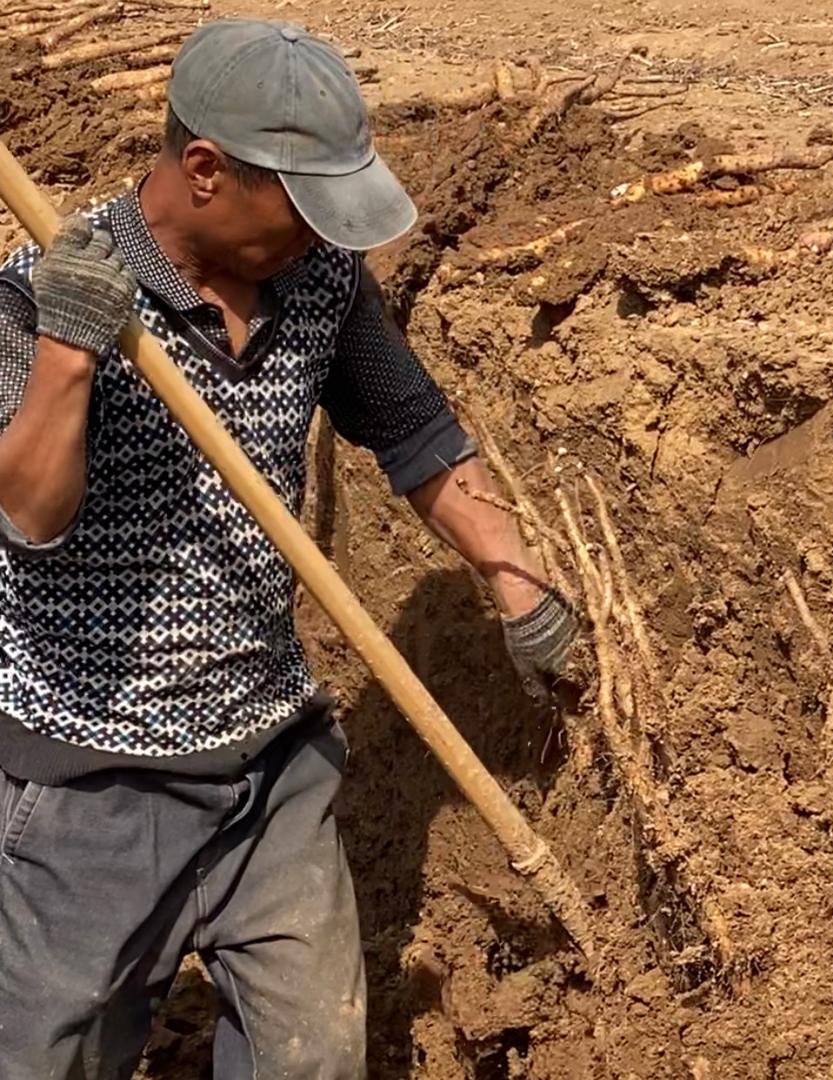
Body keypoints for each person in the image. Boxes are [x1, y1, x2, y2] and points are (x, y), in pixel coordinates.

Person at [0, 17, 575, 1079]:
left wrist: (514, 577)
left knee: (311, 1058)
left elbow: (412, 429)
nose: (324, 236)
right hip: (93, 783)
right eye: (303, 208)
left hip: (271, 763)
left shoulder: (318, 282)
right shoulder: (42, 288)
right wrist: (68, 354)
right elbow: (27, 517)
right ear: (207, 172)